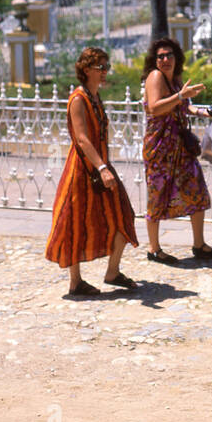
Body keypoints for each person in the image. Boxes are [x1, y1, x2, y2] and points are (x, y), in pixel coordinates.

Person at [45, 46, 139, 297]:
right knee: (74, 223)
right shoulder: (78, 99)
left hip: (101, 166)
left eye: (106, 66)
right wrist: (102, 167)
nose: (105, 72)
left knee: (124, 214)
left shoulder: (95, 97)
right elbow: (83, 139)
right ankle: (75, 282)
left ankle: (112, 271)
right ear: (86, 70)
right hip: (83, 170)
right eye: (100, 67)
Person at [141, 36, 212, 263]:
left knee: (196, 188)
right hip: (160, 147)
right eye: (160, 56)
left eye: (169, 55)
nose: (165, 59)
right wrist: (180, 96)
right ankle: (154, 249)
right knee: (157, 194)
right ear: (155, 60)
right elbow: (156, 108)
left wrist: (206, 111)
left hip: (179, 145)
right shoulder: (155, 77)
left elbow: (185, 107)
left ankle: (199, 244)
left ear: (177, 58)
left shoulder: (176, 80)